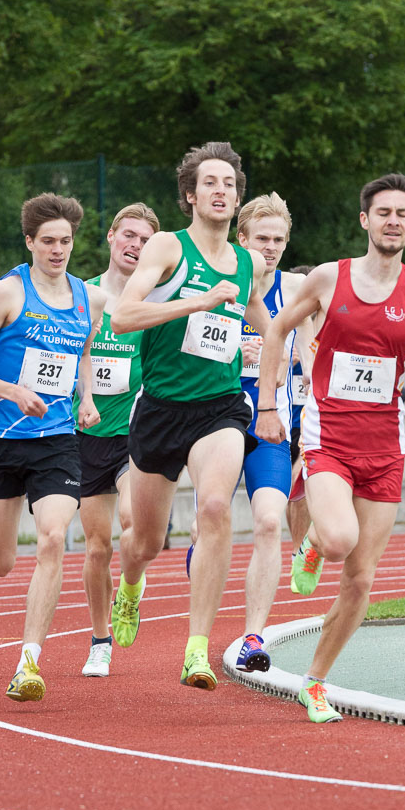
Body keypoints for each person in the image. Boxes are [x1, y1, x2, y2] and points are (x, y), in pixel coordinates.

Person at [256, 173, 405, 723]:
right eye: (383, 212)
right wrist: (269, 406)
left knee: (361, 577)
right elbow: (275, 331)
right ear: (365, 220)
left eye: (403, 213)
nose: (393, 221)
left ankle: (314, 681)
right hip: (329, 439)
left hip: (386, 447)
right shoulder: (327, 279)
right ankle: (317, 541)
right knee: (341, 540)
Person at [109, 141, 271, 690]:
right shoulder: (166, 248)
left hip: (219, 407)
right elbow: (122, 316)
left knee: (215, 507)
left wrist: (296, 349)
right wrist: (195, 303)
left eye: (229, 182)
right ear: (190, 194)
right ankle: (130, 585)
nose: (221, 189)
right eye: (210, 182)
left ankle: (197, 649)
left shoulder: (248, 261)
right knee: (146, 542)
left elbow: (259, 318)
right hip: (159, 408)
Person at [0, 192, 105, 702]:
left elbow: (84, 354)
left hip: (57, 439)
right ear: (29, 242)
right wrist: (14, 391)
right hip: (0, 437)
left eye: (65, 241)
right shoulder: (7, 293)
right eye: (48, 242)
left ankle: (28, 661)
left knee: (53, 538)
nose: (58, 250)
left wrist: (86, 398)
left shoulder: (88, 298)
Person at [73, 202, 160, 678]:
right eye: (129, 235)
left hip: (134, 432)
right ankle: (99, 639)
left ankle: (132, 583)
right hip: (86, 433)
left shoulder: (153, 304)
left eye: (146, 240)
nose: (135, 245)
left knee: (133, 521)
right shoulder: (80, 297)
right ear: (110, 237)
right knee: (96, 547)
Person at [233, 194, 313, 672]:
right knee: (210, 522)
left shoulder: (297, 288)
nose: (271, 247)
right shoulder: (220, 283)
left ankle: (253, 638)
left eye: (279, 239)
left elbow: (310, 343)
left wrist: (304, 357)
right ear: (241, 239)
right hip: (215, 422)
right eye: (261, 238)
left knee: (268, 522)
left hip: (271, 424)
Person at [285, 266, 314, 592]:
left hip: (315, 421)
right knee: (294, 497)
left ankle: (304, 549)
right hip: (285, 417)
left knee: (304, 491)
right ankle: (298, 548)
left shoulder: (328, 322)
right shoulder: (284, 320)